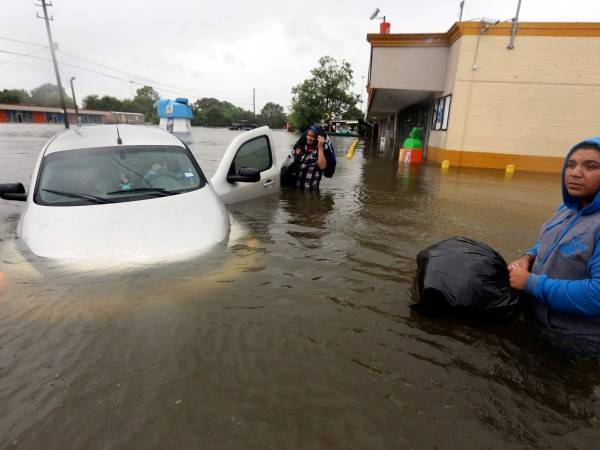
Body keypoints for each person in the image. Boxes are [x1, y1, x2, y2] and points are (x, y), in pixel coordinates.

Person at [508, 137, 600, 337]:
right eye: (571, 164)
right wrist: (527, 258)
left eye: (590, 166)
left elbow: (597, 295)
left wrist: (531, 283)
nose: (575, 173)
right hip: (540, 323)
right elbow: (549, 242)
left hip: (574, 342)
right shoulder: (567, 209)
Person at [290, 126, 329, 190]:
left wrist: (320, 146)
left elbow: (322, 166)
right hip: (296, 190)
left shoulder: (320, 151)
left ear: (317, 138)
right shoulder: (300, 148)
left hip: (311, 192)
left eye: (312, 136)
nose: (309, 138)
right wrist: (296, 155)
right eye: (308, 135)